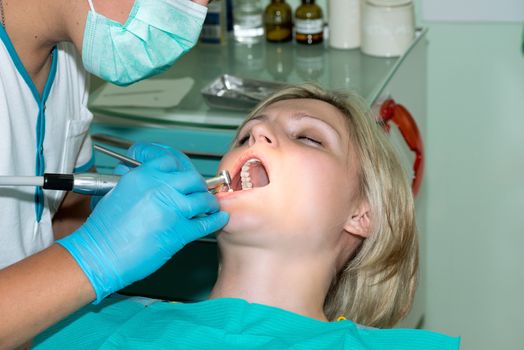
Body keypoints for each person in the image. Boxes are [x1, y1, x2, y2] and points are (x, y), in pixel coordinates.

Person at [33, 85, 460, 349]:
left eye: (308, 138)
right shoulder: (74, 323)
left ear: (361, 213)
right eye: (245, 135)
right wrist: (86, 256)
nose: (255, 134)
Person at [0, 0, 228, 349]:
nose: (188, 18)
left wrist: (118, 226)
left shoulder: (67, 57)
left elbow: (65, 215)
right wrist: (96, 255)